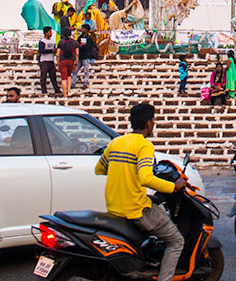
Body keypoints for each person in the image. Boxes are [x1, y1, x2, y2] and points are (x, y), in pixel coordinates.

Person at [94, 103, 186, 281]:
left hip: (114, 206)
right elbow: (146, 178)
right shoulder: (144, 146)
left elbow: (100, 169)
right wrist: (174, 186)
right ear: (149, 123)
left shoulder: (116, 142)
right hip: (135, 208)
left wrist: (122, 171)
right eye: (154, 120)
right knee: (176, 241)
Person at [72, 25, 99, 89]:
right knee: (75, 70)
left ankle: (85, 82)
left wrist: (80, 46)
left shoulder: (89, 38)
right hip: (80, 56)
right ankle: (73, 82)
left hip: (86, 56)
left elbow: (87, 47)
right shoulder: (80, 37)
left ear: (87, 30)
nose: (81, 29)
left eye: (83, 28)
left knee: (86, 70)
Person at [37, 26, 60, 95]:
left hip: (51, 60)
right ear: (46, 33)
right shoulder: (42, 41)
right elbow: (41, 50)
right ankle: (43, 89)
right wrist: (51, 50)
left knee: (53, 76)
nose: (51, 33)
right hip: (44, 61)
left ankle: (56, 89)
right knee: (43, 76)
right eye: (50, 32)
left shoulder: (52, 41)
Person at [56, 29, 79, 98]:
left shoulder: (61, 42)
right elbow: (77, 54)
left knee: (63, 78)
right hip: (71, 61)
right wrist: (76, 64)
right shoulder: (75, 42)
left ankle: (65, 96)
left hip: (62, 61)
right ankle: (68, 90)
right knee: (69, 75)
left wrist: (58, 62)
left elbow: (57, 54)